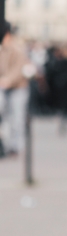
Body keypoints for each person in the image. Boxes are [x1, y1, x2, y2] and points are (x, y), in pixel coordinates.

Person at [0, 22, 32, 157]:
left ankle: (15, 146)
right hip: (4, 87)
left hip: (18, 88)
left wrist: (8, 80)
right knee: (6, 118)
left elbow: (18, 68)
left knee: (16, 118)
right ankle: (7, 144)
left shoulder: (17, 48)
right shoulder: (2, 48)